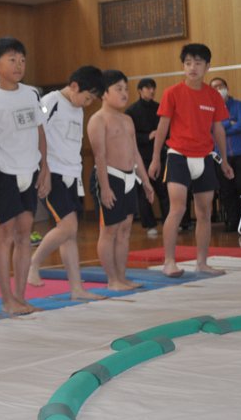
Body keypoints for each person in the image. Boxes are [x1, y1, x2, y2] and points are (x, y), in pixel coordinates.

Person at [148, 44, 233, 278]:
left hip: (205, 157)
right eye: (187, 63)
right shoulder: (172, 93)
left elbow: (218, 130)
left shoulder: (213, 96)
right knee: (177, 208)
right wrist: (155, 159)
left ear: (207, 66)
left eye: (197, 63)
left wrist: (224, 161)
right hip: (178, 156)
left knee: (204, 212)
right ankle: (169, 261)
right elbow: (162, 127)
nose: (192, 67)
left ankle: (202, 262)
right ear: (183, 66)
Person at [0, 37, 50, 315]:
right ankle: (6, 299)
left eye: (22, 60)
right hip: (5, 173)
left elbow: (41, 131)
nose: (19, 65)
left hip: (30, 171)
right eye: (12, 60)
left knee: (25, 234)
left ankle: (20, 297)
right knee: (5, 235)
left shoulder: (33, 94)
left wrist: (45, 168)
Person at [27, 66, 105, 300]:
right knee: (69, 226)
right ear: (74, 86)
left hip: (72, 174)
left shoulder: (78, 109)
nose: (88, 104)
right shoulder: (51, 102)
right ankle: (33, 262)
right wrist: (43, 170)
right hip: (53, 173)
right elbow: (35, 135)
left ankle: (76, 289)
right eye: (87, 97)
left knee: (70, 233)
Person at [88, 70, 155, 290]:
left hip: (129, 178)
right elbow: (99, 156)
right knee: (109, 230)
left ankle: (122, 277)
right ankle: (112, 280)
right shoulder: (97, 120)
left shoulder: (127, 120)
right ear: (104, 93)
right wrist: (105, 188)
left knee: (125, 230)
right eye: (118, 89)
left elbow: (135, 153)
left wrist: (145, 181)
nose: (124, 93)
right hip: (110, 177)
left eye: (126, 88)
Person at [125, 77, 170, 235]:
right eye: (148, 88)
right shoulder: (131, 111)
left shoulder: (160, 108)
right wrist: (148, 136)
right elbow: (128, 136)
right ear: (140, 90)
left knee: (164, 190)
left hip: (160, 155)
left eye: (153, 88)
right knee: (144, 192)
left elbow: (168, 130)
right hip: (141, 156)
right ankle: (150, 225)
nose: (152, 91)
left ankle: (169, 222)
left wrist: (161, 135)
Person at [210, 77, 241, 232]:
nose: (218, 90)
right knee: (226, 190)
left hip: (240, 153)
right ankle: (232, 221)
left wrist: (220, 128)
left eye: (220, 86)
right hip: (220, 155)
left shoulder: (239, 105)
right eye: (214, 87)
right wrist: (229, 122)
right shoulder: (209, 109)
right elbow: (210, 128)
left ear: (227, 88)